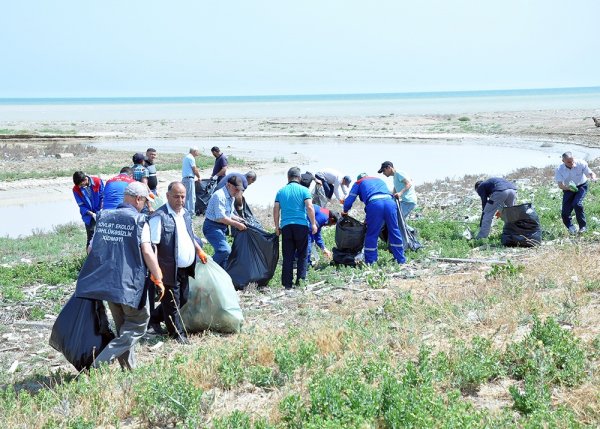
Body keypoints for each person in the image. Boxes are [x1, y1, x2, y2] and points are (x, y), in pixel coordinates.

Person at [75, 182, 164, 369]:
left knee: (123, 328)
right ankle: (100, 363)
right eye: (145, 201)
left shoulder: (104, 217)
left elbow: (91, 249)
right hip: (130, 286)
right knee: (139, 324)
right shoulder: (140, 221)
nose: (146, 205)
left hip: (108, 285)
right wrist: (158, 277)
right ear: (138, 199)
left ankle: (129, 369)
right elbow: (147, 252)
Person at [148, 182, 207, 344]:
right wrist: (155, 272)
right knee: (173, 304)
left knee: (183, 298)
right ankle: (177, 335)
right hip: (167, 269)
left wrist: (198, 250)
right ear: (167, 196)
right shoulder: (159, 217)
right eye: (176, 197)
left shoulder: (186, 214)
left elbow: (190, 235)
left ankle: (153, 318)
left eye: (183, 196)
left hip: (184, 268)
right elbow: (152, 246)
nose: (180, 200)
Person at [342, 173, 405, 265]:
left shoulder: (359, 183)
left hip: (375, 204)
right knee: (394, 231)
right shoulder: (379, 180)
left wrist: (345, 211)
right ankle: (400, 259)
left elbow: (350, 199)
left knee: (372, 233)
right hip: (390, 203)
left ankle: (371, 262)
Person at [273, 167, 318, 289]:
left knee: (288, 256)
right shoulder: (304, 190)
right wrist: (313, 224)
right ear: (299, 178)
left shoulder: (281, 191)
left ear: (288, 178)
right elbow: (309, 207)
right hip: (301, 225)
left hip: (286, 226)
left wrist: (277, 226)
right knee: (302, 254)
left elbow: (276, 209)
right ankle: (301, 282)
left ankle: (287, 284)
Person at [202, 175, 247, 267]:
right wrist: (237, 225)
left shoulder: (231, 196)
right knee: (225, 250)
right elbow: (221, 218)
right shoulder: (219, 195)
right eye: (236, 189)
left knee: (224, 257)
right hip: (212, 227)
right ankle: (207, 267)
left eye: (239, 190)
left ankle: (220, 276)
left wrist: (239, 219)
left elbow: (228, 213)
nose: (237, 192)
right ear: (228, 185)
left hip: (222, 227)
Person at [555, 152, 597, 234]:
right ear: (563, 161)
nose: (572, 164)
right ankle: (571, 228)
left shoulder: (581, 163)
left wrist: (593, 178)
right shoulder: (559, 169)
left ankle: (583, 227)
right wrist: (569, 188)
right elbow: (560, 185)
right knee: (565, 212)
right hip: (568, 188)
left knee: (577, 204)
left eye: (572, 161)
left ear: (574, 158)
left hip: (581, 186)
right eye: (569, 162)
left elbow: (591, 173)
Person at [72, 171, 104, 248]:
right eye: (78, 185)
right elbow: (81, 205)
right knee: (90, 236)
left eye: (81, 185)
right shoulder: (76, 189)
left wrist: (101, 210)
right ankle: (89, 258)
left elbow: (103, 196)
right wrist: (92, 214)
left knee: (104, 235)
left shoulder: (97, 181)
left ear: (85, 180)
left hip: (101, 211)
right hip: (89, 215)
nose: (80, 187)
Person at [182, 147, 201, 215]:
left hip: (185, 178)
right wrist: (199, 177)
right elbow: (194, 169)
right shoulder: (191, 158)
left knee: (186, 196)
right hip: (189, 179)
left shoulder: (186, 157)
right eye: (197, 151)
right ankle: (190, 212)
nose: (198, 153)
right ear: (194, 151)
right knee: (191, 196)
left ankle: (186, 210)